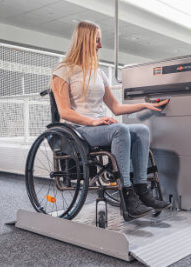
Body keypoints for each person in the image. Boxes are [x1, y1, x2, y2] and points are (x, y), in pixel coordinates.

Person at [51, 21, 170, 219]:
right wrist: (93, 122)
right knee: (120, 130)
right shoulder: (63, 70)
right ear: (85, 41)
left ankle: (141, 188)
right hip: (79, 129)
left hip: (99, 127)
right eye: (97, 41)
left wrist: (145, 105)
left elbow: (115, 107)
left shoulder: (99, 73)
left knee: (141, 130)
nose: (100, 45)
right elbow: (64, 112)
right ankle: (127, 193)